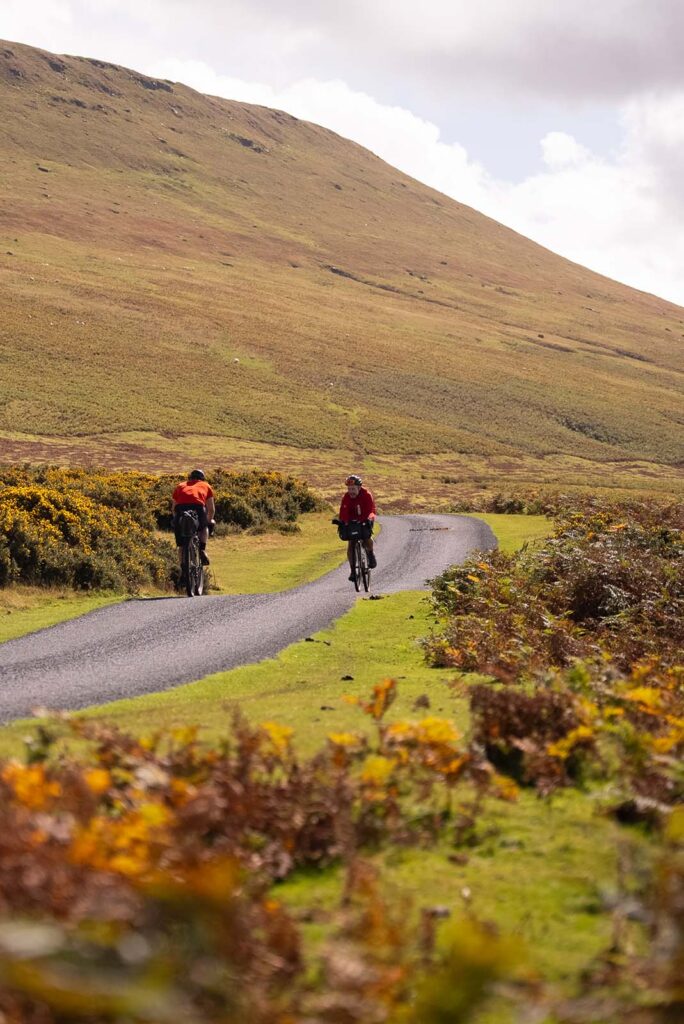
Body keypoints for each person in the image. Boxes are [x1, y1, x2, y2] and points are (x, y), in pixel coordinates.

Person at [172, 469, 215, 567]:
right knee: (204, 527)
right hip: (198, 507)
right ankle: (202, 550)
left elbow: (173, 508)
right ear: (202, 478)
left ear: (190, 478)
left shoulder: (180, 486)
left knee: (182, 546)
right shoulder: (206, 485)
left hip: (180, 510)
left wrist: (177, 520)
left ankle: (183, 570)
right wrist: (207, 522)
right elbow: (211, 510)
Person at [338, 474, 377, 580]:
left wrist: (369, 519)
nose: (351, 491)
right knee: (351, 544)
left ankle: (370, 553)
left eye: (353, 489)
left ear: (359, 488)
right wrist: (343, 522)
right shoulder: (346, 497)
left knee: (366, 537)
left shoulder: (367, 495)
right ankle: (353, 572)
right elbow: (343, 512)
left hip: (365, 519)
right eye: (349, 489)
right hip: (352, 522)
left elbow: (371, 510)